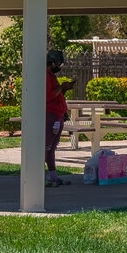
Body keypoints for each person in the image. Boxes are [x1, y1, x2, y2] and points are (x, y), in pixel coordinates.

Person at [45, 48, 71, 186]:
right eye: (59, 63)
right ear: (53, 63)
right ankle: (39, 177)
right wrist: (61, 87)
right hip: (51, 115)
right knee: (47, 146)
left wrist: (63, 89)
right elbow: (48, 96)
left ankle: (53, 175)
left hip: (58, 114)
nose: (59, 67)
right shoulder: (46, 76)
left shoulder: (51, 76)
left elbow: (56, 95)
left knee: (52, 147)